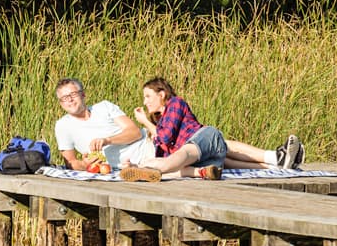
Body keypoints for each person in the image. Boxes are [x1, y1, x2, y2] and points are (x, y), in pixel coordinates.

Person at [123, 77, 305, 181]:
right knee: (175, 163)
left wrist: (145, 122)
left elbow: (165, 137)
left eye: (148, 96)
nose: (145, 101)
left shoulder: (175, 104)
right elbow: (163, 144)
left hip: (204, 138)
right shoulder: (161, 121)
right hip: (206, 160)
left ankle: (276, 157)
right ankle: (278, 164)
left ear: (161, 94)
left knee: (181, 156)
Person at [53, 78, 155, 171]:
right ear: (61, 103)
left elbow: (136, 133)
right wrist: (84, 164)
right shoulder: (63, 126)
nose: (70, 100)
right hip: (124, 167)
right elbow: (70, 162)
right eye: (65, 98)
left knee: (163, 161)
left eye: (73, 94)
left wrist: (108, 140)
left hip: (148, 147)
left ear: (83, 95)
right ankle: (144, 169)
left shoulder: (104, 107)